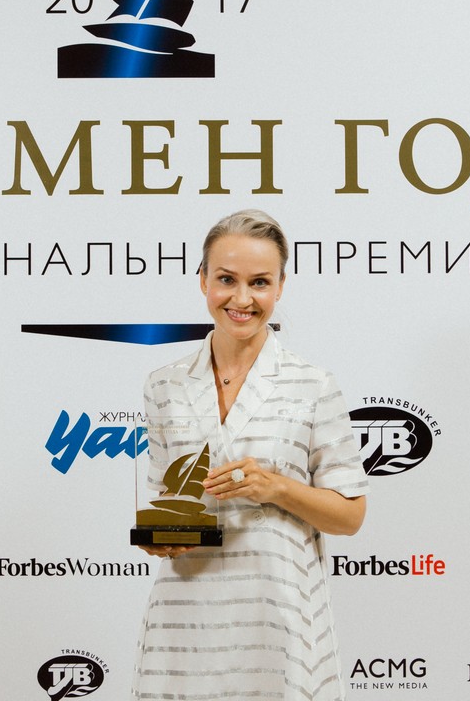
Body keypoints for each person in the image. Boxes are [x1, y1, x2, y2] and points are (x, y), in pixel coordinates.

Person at [133, 209, 369, 701]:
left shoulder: (313, 384)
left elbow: (350, 517)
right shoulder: (164, 385)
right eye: (226, 279)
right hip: (184, 622)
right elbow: (162, 502)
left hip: (278, 620)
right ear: (203, 280)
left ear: (280, 287)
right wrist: (160, 537)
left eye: (259, 282)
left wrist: (275, 487)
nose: (242, 299)